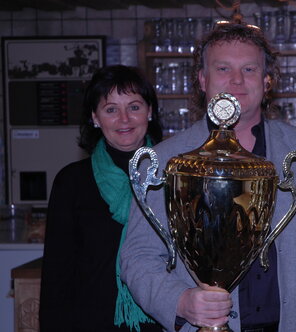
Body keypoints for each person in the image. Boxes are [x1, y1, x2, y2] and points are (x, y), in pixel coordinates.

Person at [120, 22, 296, 332]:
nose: (237, 80)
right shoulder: (168, 157)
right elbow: (138, 256)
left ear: (268, 81)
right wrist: (180, 301)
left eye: (250, 69)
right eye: (223, 68)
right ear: (202, 79)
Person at [39, 65, 164, 332]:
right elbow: (56, 277)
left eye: (134, 107)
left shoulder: (173, 175)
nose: (124, 119)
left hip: (162, 324)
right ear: (95, 117)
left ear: (150, 111)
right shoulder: (71, 182)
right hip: (90, 323)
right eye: (111, 110)